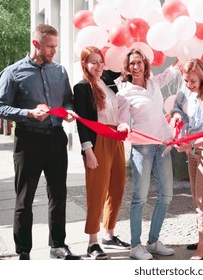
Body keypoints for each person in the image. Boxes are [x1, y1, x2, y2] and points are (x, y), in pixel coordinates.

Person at [0, 24, 80, 260]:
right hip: (28, 141)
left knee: (58, 195)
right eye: (50, 47)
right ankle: (24, 251)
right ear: (36, 44)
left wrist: (68, 111)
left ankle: (58, 245)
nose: (54, 51)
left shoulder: (60, 71)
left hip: (56, 139)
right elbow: (0, 106)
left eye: (56, 46)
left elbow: (68, 101)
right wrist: (28, 113)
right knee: (25, 198)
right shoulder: (12, 72)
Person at [116, 48, 179, 260]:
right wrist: (123, 127)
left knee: (166, 196)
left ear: (145, 64)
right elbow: (122, 119)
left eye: (139, 62)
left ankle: (153, 242)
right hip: (142, 147)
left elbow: (173, 70)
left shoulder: (154, 83)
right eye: (131, 63)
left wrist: (183, 51)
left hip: (163, 144)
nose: (135, 66)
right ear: (127, 67)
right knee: (140, 198)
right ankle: (135, 246)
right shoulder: (124, 92)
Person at [73, 46, 129, 260]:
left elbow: (125, 67)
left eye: (101, 61)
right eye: (93, 62)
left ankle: (109, 233)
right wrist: (88, 150)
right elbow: (82, 123)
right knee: (97, 190)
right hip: (97, 142)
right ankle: (92, 242)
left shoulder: (106, 80)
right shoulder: (81, 88)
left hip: (116, 138)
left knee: (117, 186)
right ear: (84, 64)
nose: (98, 66)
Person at [171, 58, 203, 260]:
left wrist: (191, 145)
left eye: (193, 81)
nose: (189, 85)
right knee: (195, 196)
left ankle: (202, 247)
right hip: (191, 150)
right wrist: (176, 115)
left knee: (202, 198)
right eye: (186, 81)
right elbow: (176, 106)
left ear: (202, 77)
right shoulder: (186, 92)